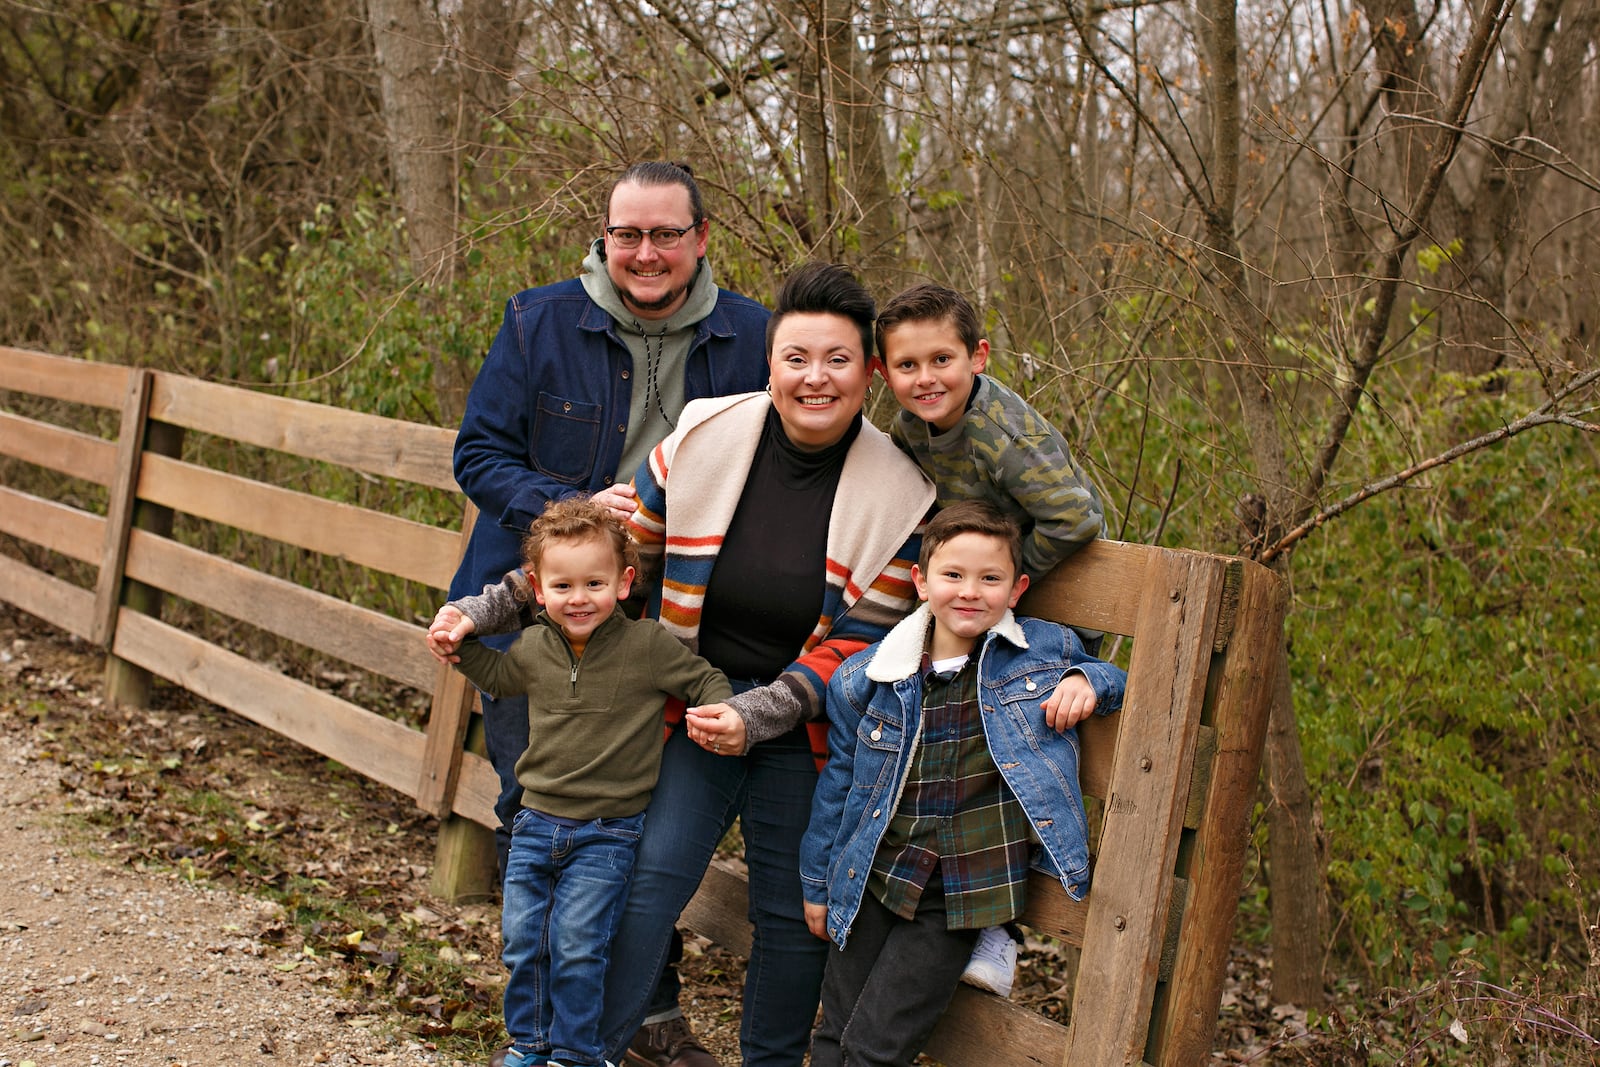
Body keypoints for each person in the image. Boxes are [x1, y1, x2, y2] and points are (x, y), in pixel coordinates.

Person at [434, 263, 936, 1066]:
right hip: (689, 706)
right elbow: (598, 561)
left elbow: (863, 643)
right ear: (769, 361)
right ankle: (583, 1049)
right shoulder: (705, 435)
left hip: (803, 725)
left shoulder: (903, 494)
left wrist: (761, 712)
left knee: (785, 914)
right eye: (796, 357)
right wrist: (484, 608)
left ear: (870, 373)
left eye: (838, 359)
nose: (815, 378)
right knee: (645, 881)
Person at [447, 161, 769, 873]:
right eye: (628, 234)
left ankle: (638, 986)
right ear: (604, 235)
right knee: (532, 805)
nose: (646, 253)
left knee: (650, 825)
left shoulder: (753, 338)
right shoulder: (540, 322)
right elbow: (477, 455)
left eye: (665, 234)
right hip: (541, 615)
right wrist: (576, 509)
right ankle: (536, 978)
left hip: (668, 623)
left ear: (702, 237)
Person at [799, 502, 1127, 1067]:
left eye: (990, 578)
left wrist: (1086, 681)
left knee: (880, 1044)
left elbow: (1115, 676)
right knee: (836, 1029)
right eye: (953, 575)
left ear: (1018, 588)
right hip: (877, 870)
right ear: (921, 582)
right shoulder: (869, 677)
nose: (970, 591)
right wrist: (817, 881)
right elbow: (842, 783)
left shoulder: (1043, 649)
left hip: (964, 889)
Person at [874, 281, 1109, 994]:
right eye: (907, 366)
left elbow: (1077, 517)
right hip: (977, 600)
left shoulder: (1006, 434)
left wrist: (1009, 582)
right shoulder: (912, 429)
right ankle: (920, 890)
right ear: (884, 373)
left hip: (1049, 614)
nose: (926, 378)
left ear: (976, 355)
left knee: (1005, 744)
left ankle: (997, 930)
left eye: (941, 359)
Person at [440, 498, 732, 1067]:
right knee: (525, 941)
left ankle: (574, 1053)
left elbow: (705, 679)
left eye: (594, 583)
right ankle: (530, 1043)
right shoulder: (533, 647)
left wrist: (718, 711)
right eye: (564, 585)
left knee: (577, 944)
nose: (579, 598)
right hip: (535, 822)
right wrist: (461, 648)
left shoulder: (646, 648)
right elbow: (500, 678)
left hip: (607, 832)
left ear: (623, 583)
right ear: (538, 588)